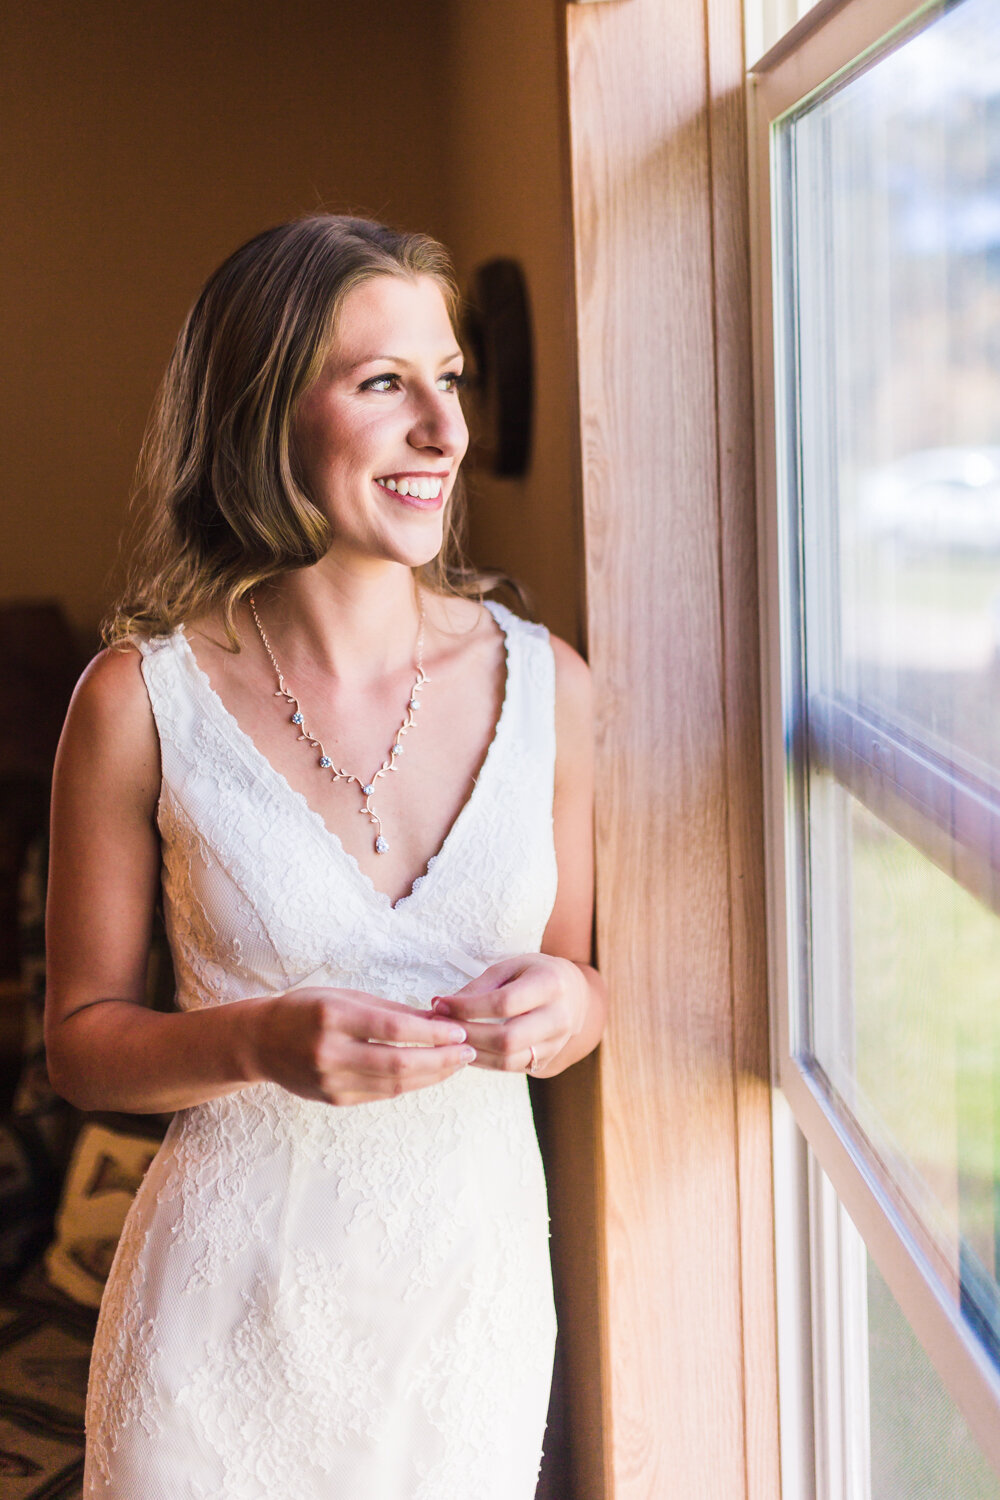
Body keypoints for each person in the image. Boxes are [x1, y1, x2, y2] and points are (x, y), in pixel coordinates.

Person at [44, 214, 606, 1499]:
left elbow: (575, 986)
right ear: (265, 415)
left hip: (467, 1330)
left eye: (449, 380)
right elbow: (81, 1042)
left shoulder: (550, 690)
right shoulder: (138, 702)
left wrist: (571, 1003)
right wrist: (255, 1042)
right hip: (214, 1342)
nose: (443, 429)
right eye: (382, 384)